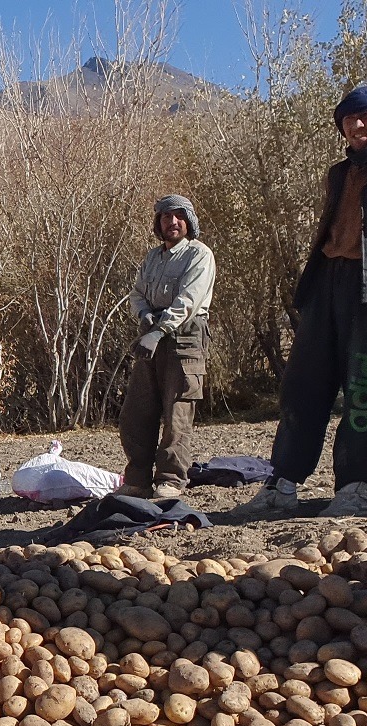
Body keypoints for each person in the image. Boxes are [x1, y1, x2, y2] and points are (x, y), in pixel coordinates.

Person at [239, 86, 367, 519]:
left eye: (366, 117)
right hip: (327, 285)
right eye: (347, 119)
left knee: (365, 390)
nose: (355, 126)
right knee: (302, 387)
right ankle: (283, 483)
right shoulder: (338, 173)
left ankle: (352, 488)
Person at [121, 195, 216, 500]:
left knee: (177, 413)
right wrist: (145, 315)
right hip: (151, 337)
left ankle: (171, 480)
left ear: (189, 221)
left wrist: (159, 330)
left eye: (178, 216)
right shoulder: (152, 258)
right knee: (136, 413)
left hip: (184, 339)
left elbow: (188, 301)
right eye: (165, 217)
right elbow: (136, 294)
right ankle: (137, 479)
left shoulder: (199, 255)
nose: (171, 222)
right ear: (157, 223)